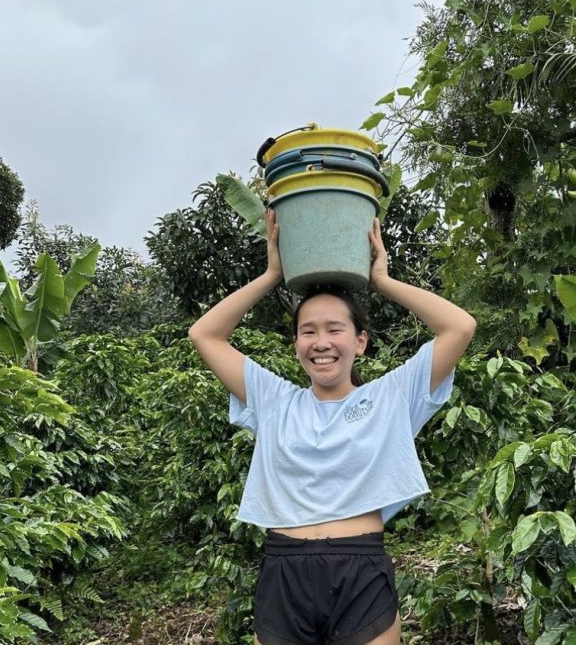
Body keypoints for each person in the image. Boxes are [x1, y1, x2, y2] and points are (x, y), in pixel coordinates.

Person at [188, 207, 476, 645]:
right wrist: (272, 274)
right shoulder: (273, 398)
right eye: (308, 331)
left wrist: (382, 281)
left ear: (360, 341)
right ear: (296, 345)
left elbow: (459, 326)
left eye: (335, 329)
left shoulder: (390, 396)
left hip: (360, 570)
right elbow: (205, 334)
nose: (321, 342)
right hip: (284, 572)